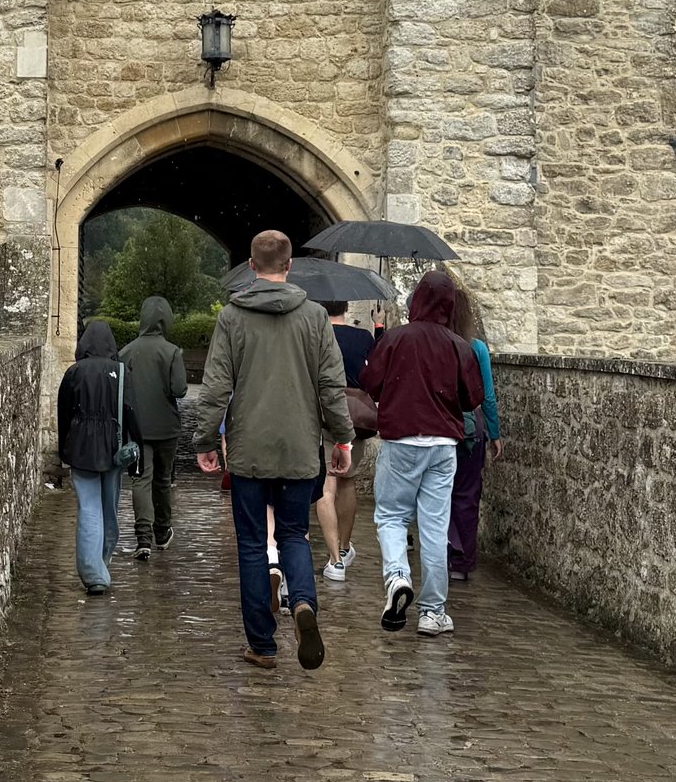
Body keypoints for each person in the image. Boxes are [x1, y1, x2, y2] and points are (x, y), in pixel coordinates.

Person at [192, 230, 351, 671]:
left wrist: (206, 440)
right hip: (300, 448)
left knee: (251, 545)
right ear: (289, 265)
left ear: (251, 263)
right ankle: (303, 604)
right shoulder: (316, 317)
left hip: (249, 450)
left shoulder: (232, 317)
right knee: (294, 535)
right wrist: (341, 438)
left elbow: (216, 386)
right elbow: (331, 386)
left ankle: (262, 644)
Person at [360, 268, 483, 638]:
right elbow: (472, 397)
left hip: (401, 441)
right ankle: (433, 612)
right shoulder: (459, 346)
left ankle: (397, 577)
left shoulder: (397, 340)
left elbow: (370, 383)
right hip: (443, 446)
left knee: (391, 517)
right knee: (433, 527)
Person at [56, 319, 131, 594]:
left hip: (81, 445)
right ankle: (103, 560)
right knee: (109, 506)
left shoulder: (74, 372)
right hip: (114, 444)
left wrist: (63, 449)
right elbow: (130, 411)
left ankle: (93, 572)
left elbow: (63, 412)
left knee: (89, 507)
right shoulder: (121, 371)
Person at [120, 296, 191, 558]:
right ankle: (162, 531)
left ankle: (143, 538)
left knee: (140, 479)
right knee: (162, 479)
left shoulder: (126, 352)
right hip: (166, 427)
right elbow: (180, 390)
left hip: (137, 427)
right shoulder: (171, 351)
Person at [446, 282, 503, 586]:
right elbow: (488, 396)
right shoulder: (476, 347)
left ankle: (441, 551)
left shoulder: (437, 343)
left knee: (438, 494)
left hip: (439, 427)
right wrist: (495, 433)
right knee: (467, 494)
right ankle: (462, 560)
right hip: (470, 429)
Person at [318, 298, 374, 583]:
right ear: (346, 307)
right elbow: (373, 375)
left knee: (326, 488)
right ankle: (344, 546)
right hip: (356, 417)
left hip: (323, 414)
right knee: (348, 481)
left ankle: (335, 561)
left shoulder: (317, 332)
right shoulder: (363, 337)